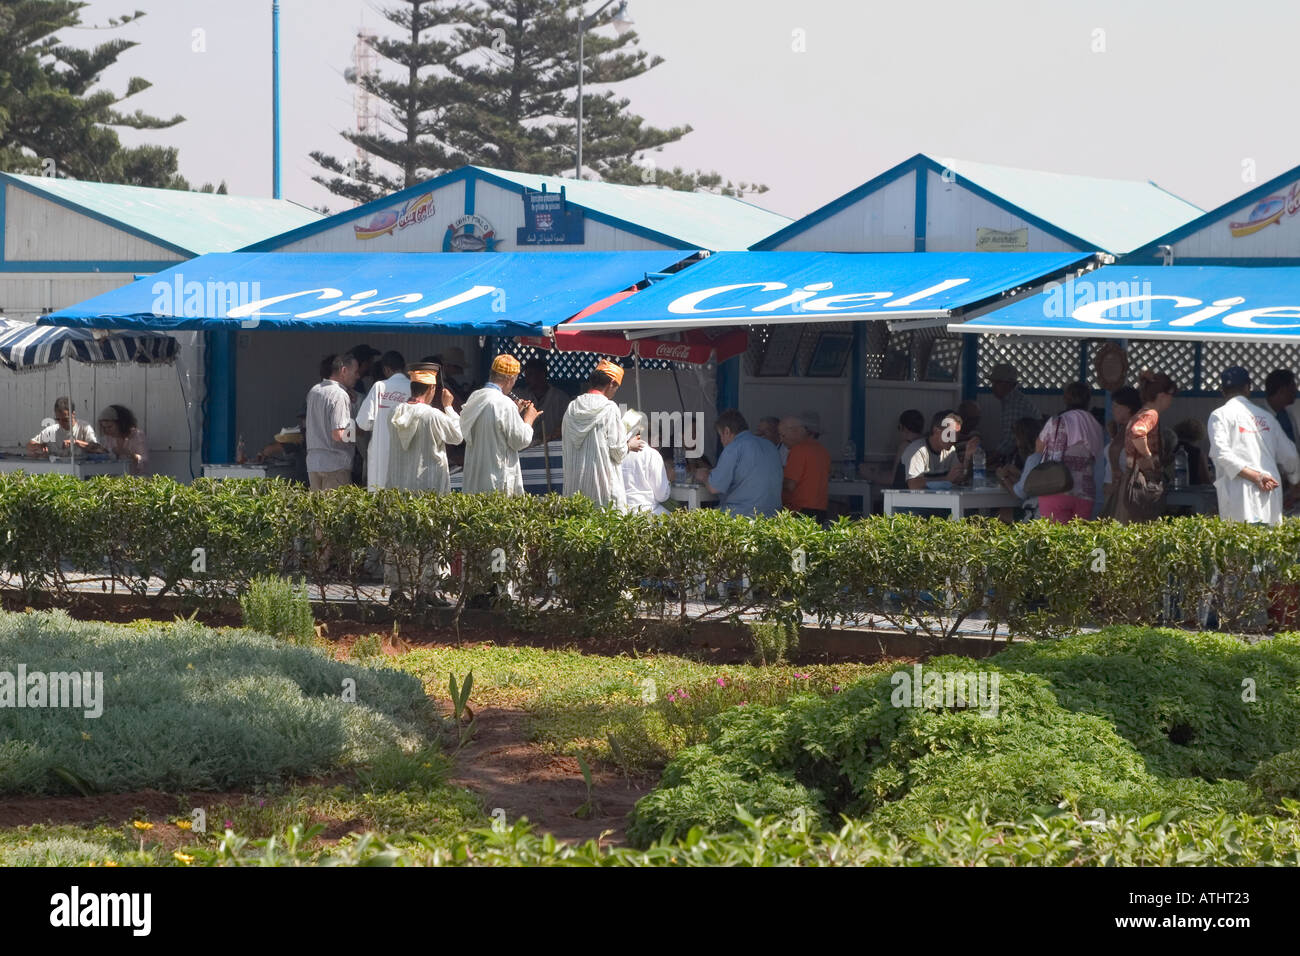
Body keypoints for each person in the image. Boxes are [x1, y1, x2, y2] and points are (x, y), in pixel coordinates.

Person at [1207, 366, 1300, 525]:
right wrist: (1294, 481)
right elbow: (1291, 456)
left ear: (1223, 391)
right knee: (1269, 544)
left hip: (1238, 495)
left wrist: (1256, 477)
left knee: (1241, 544)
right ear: (1248, 388)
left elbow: (1221, 454)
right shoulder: (1267, 417)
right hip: (1270, 491)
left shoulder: (1220, 415)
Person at [562, 359, 643, 509]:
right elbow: (617, 452)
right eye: (616, 387)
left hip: (575, 489)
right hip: (603, 490)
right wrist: (629, 445)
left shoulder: (572, 408)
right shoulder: (609, 408)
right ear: (612, 383)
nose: (614, 392)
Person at [460, 353, 538, 495]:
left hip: (475, 475)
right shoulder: (504, 403)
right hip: (496, 475)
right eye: (515, 379)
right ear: (509, 379)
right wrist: (529, 419)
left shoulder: (475, 397)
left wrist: (516, 411)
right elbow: (520, 441)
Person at [1035, 382, 1105, 523]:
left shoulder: (1056, 421)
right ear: (1088, 400)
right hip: (1085, 492)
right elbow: (1097, 455)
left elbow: (1038, 449)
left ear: (1065, 399)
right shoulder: (1096, 425)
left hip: (1054, 488)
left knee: (1055, 540)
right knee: (1077, 541)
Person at [386, 363, 462, 493]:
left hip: (398, 489)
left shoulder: (394, 413)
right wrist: (448, 407)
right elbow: (457, 437)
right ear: (432, 388)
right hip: (428, 491)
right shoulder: (433, 416)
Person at [694, 409, 783, 517]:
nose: (721, 440)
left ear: (726, 431)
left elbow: (714, 488)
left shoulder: (734, 447)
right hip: (773, 516)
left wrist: (704, 476)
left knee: (696, 520)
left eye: (720, 435)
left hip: (742, 516)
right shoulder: (770, 446)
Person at [1115, 370, 1176, 523]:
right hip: (1142, 482)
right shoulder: (1151, 414)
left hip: (1130, 479)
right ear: (1162, 396)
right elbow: (1138, 432)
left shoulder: (1141, 413)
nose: (1172, 400)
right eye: (1171, 395)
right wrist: (1148, 456)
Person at [355, 350, 410, 489]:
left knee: (381, 501)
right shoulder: (413, 387)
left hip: (381, 456)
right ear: (404, 368)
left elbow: (363, 423)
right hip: (406, 454)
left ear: (386, 369)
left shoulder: (379, 387)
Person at [306, 352, 359, 491]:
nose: (357, 376)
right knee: (335, 511)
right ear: (344, 370)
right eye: (355, 371)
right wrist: (356, 429)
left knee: (317, 511)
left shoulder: (314, 391)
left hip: (314, 463)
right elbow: (338, 434)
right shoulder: (339, 394)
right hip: (335, 465)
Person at [778, 414, 831, 523]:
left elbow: (790, 484)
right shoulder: (823, 451)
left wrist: (773, 481)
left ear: (795, 431)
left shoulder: (798, 450)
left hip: (799, 509)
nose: (781, 440)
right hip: (820, 507)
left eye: (783, 435)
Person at [989, 364, 1041, 464]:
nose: (993, 387)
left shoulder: (1015, 404)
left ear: (1009, 384)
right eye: (993, 383)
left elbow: (1010, 441)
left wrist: (990, 459)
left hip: (1028, 456)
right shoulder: (1012, 400)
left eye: (997, 383)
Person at [620, 409, 670, 514]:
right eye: (659, 437)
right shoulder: (652, 455)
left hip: (619, 514)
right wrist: (669, 480)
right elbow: (662, 495)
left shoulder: (615, 454)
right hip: (647, 513)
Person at [903, 411, 966, 490]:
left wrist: (968, 457)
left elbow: (958, 479)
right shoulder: (917, 450)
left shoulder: (951, 450)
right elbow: (914, 485)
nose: (955, 439)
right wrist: (946, 479)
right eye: (950, 434)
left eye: (957, 434)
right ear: (936, 431)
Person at [518, 357, 571, 445]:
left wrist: (554, 434)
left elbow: (568, 423)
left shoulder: (560, 398)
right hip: (527, 446)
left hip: (553, 446)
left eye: (530, 375)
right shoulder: (522, 396)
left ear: (542, 375)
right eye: (526, 375)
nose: (527, 379)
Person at [27, 397, 97, 457]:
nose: (61, 422)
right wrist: (40, 447)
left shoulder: (84, 427)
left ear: (73, 414)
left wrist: (76, 442)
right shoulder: (51, 431)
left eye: (65, 420)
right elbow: (30, 444)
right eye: (58, 419)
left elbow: (97, 448)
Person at [95, 405, 149, 475]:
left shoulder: (137, 435)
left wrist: (130, 454)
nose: (107, 430)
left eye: (110, 427)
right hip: (111, 480)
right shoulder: (107, 438)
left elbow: (145, 460)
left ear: (121, 424)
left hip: (135, 479)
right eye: (104, 427)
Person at [1172, 418, 1213, 487]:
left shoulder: (1172, 449)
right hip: (1193, 492)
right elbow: (1206, 480)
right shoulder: (1197, 453)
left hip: (1173, 491)